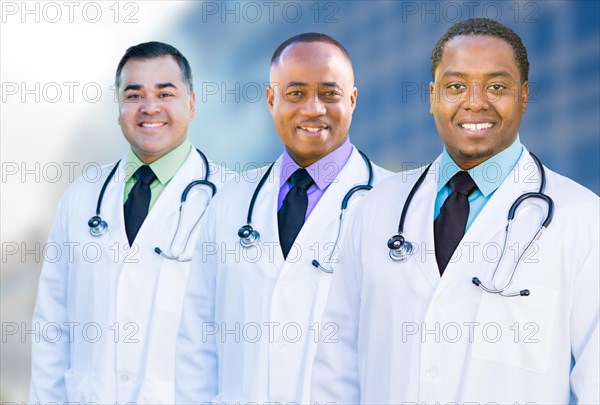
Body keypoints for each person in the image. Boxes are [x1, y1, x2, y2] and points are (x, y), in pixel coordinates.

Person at [311, 18, 599, 404]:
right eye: (455, 86)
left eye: (497, 87)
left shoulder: (581, 220)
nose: (475, 101)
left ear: (525, 95)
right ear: (432, 97)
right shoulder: (377, 209)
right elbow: (336, 368)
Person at [175, 33, 392, 404]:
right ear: (271, 99)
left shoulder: (393, 204)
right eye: (295, 93)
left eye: (329, 93)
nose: (313, 109)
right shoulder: (230, 202)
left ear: (352, 100)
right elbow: (197, 340)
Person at [29, 41, 230, 404]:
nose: (149, 107)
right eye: (134, 95)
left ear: (192, 103)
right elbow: (51, 327)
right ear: (119, 108)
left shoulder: (232, 201)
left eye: (165, 93)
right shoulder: (81, 197)